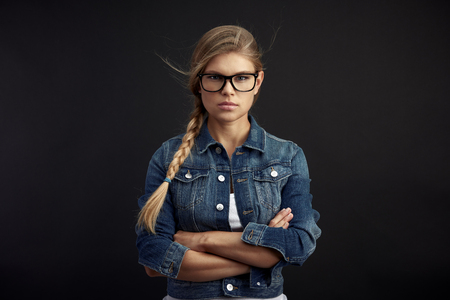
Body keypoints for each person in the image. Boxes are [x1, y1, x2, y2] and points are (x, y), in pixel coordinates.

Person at [135, 25, 321, 300]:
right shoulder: (167, 157)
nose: (228, 90)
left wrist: (202, 241)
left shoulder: (288, 156)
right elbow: (153, 258)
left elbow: (299, 243)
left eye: (241, 78)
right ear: (199, 83)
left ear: (257, 82)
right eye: (215, 78)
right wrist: (263, 256)